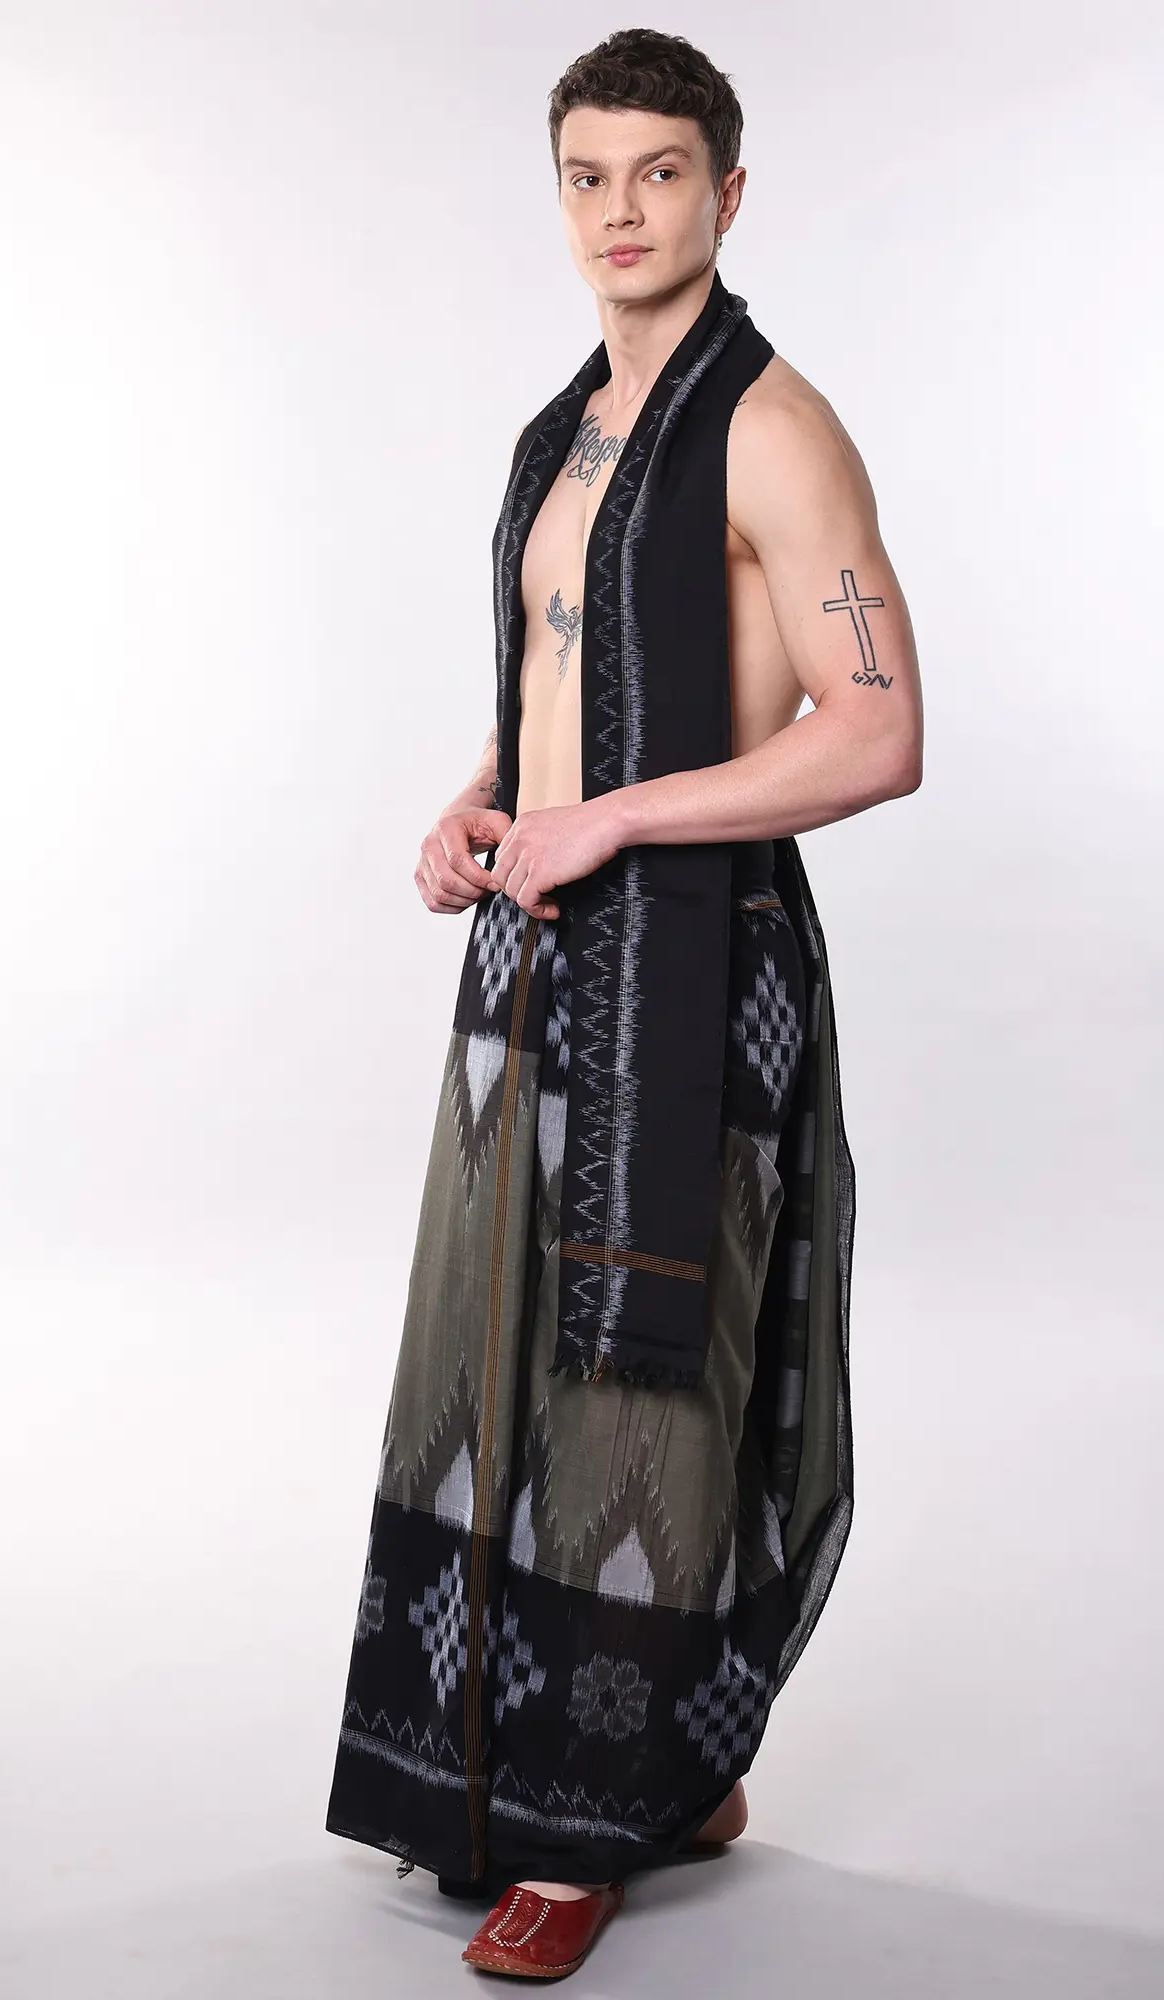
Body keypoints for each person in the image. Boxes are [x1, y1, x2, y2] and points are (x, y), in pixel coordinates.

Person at [325, 27, 923, 1980]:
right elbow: (555, 695)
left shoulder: (776, 427)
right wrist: (484, 803)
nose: (621, 211)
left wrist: (619, 822)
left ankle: (591, 1823)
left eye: (661, 173)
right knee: (494, 1354)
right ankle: (617, 1771)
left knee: (638, 1377)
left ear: (728, 195)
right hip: (536, 949)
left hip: (694, 960)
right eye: (588, 176)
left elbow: (880, 730)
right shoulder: (559, 434)